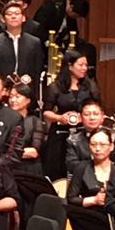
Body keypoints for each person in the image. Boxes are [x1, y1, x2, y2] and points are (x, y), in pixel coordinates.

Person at [42, 49, 101, 180]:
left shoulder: (90, 86)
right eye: (81, 65)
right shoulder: (55, 87)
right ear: (69, 66)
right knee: (57, 171)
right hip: (60, 134)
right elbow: (46, 112)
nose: (84, 68)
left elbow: (98, 108)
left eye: (86, 65)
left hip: (83, 134)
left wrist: (86, 117)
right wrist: (60, 118)